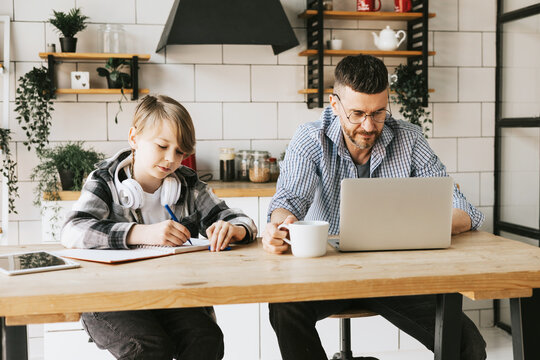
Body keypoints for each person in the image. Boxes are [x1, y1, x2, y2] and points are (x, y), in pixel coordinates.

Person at [262, 55, 487, 360]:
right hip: (325, 273)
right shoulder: (310, 138)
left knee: (468, 345)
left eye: (378, 113)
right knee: (283, 306)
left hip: (393, 274)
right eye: (357, 113)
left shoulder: (409, 138)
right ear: (334, 104)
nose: (368, 125)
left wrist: (422, 226)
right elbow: (287, 200)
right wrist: (279, 225)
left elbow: (464, 210)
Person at [61, 94, 257, 360]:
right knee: (148, 348)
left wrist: (236, 230)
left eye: (179, 152)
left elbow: (239, 220)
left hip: (169, 295)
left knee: (206, 339)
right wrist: (141, 233)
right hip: (109, 298)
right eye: (162, 146)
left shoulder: (187, 185)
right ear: (134, 138)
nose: (170, 159)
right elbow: (73, 230)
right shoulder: (104, 180)